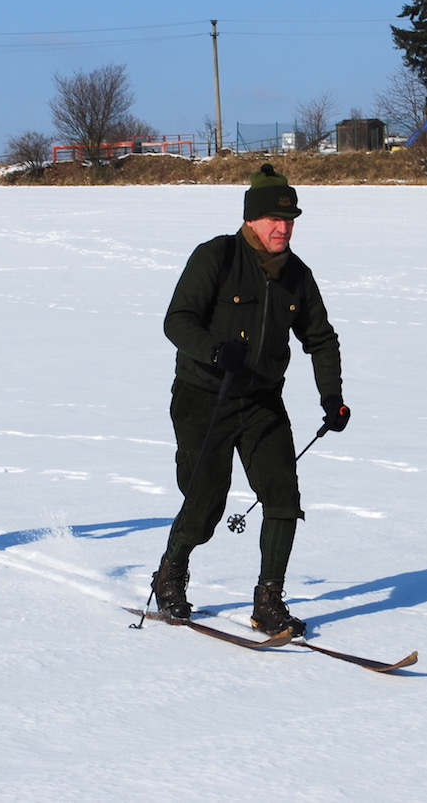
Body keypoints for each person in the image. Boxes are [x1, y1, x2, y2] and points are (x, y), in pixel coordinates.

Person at [154, 163, 350, 637]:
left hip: (262, 400)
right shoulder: (216, 257)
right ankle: (171, 573)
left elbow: (320, 338)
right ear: (250, 220)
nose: (283, 228)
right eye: (273, 220)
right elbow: (176, 321)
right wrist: (216, 350)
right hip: (205, 398)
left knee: (282, 497)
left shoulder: (297, 275)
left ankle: (269, 601)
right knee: (205, 501)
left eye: (290, 220)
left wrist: (332, 397)